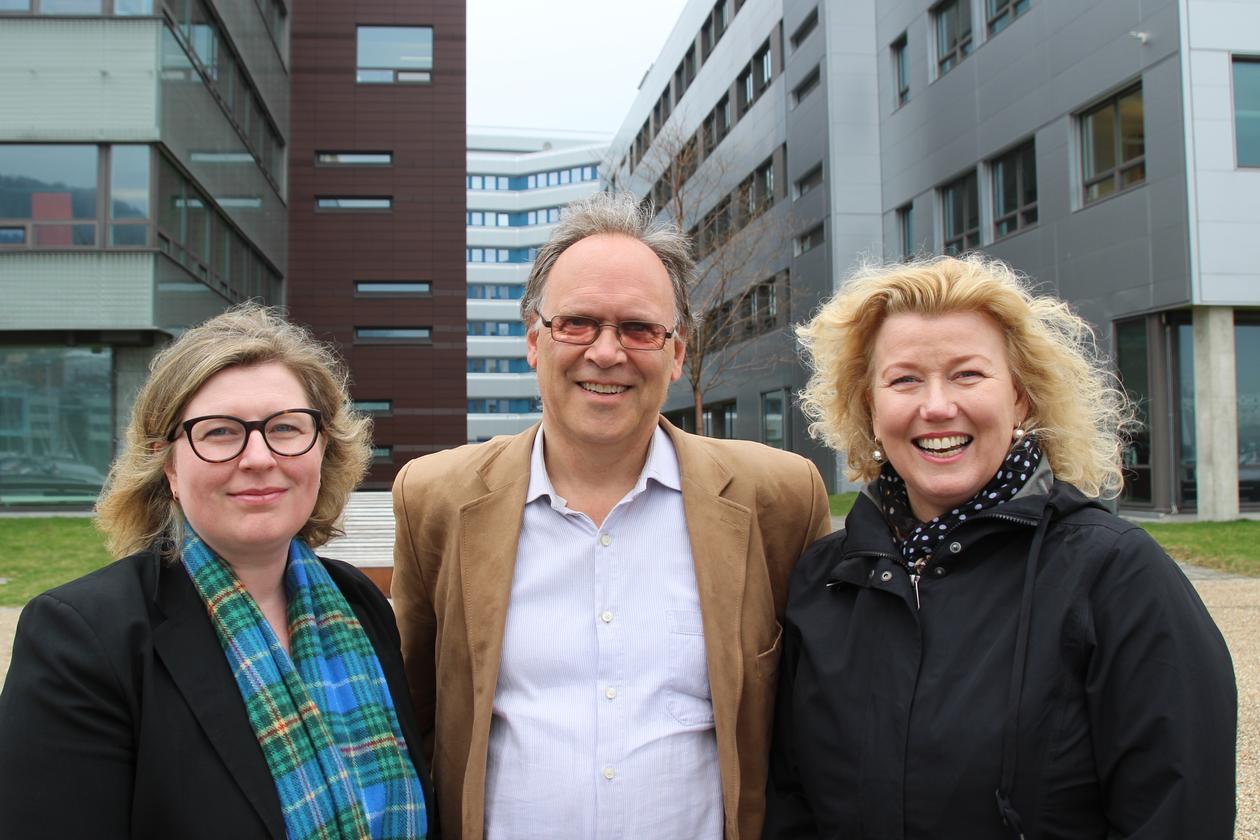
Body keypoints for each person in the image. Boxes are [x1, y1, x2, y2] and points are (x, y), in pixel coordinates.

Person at [392, 191, 831, 840]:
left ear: (677, 353)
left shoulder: (779, 498)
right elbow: (410, 722)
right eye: (577, 323)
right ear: (534, 341)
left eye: (638, 328)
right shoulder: (436, 500)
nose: (606, 352)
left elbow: (813, 730)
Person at [764, 254, 1237, 839]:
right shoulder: (824, 581)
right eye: (904, 379)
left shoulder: (1114, 574)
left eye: (967, 374)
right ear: (869, 406)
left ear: (1020, 398)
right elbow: (789, 805)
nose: (936, 406)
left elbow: (1177, 815)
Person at [0, 305, 434, 839]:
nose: (258, 457)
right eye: (222, 432)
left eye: (286, 428)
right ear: (168, 465)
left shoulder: (360, 604)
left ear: (322, 449)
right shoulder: (83, 637)